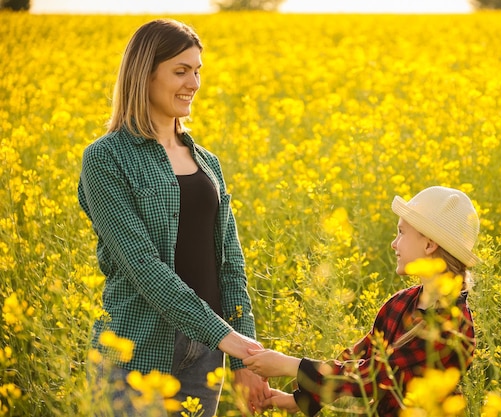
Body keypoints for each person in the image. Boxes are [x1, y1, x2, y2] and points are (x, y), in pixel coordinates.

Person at [78, 19, 269, 416]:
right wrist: (227, 337)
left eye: (197, 71)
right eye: (181, 71)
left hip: (207, 356)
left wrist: (244, 356)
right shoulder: (106, 158)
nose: (194, 83)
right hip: (134, 352)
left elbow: (230, 265)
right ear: (143, 75)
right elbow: (143, 267)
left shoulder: (207, 163)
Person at [243, 186, 480, 416]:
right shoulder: (400, 303)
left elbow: (376, 376)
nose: (394, 243)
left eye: (401, 232)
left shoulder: (453, 325)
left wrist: (290, 365)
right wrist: (302, 400)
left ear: (429, 244)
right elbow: (357, 357)